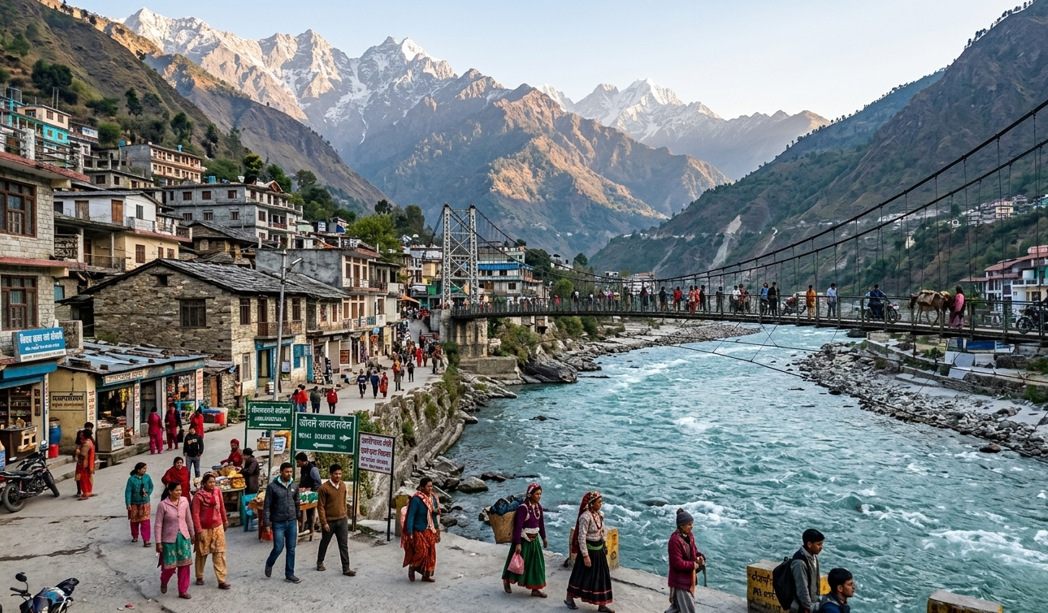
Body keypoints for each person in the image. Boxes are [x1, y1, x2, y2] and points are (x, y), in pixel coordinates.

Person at [565, 491, 614, 612]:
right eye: (599, 502)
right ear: (592, 504)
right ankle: (569, 599)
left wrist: (605, 544)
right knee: (580, 576)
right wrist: (585, 556)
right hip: (588, 552)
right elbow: (581, 537)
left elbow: (602, 530)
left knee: (602, 577)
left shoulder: (600, 514)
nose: (601, 504)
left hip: (599, 551)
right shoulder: (585, 517)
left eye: (601, 502)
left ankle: (602, 604)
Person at [502, 482, 548, 597]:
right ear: (530, 495)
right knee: (516, 563)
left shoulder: (539, 508)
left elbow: (541, 524)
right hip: (523, 540)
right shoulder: (523, 508)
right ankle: (507, 579)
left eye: (540, 494)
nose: (539, 496)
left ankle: (535, 589)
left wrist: (544, 538)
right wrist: (518, 543)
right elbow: (518, 527)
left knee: (536, 564)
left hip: (534, 541)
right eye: (537, 494)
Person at [155, 481, 195, 599]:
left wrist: (192, 534)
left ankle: (183, 591)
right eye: (176, 490)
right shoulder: (163, 505)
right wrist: (158, 542)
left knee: (185, 565)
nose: (179, 492)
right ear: (170, 491)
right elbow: (158, 525)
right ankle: (164, 581)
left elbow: (188, 519)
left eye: (180, 490)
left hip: (183, 538)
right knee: (170, 566)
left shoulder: (184, 501)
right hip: (169, 540)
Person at [264, 462, 301, 583]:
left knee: (291, 549)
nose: (289, 474)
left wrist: (299, 518)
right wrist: (267, 524)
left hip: (291, 522)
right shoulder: (272, 487)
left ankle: (290, 574)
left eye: (291, 472)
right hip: (278, 523)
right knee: (278, 548)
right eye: (287, 472)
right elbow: (267, 506)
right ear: (281, 472)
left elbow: (297, 503)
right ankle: (269, 563)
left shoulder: (294, 485)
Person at [191, 473, 230, 589]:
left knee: (219, 553)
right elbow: (195, 514)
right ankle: (199, 576)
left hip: (217, 526)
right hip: (203, 528)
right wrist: (198, 531)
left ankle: (221, 580)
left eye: (214, 482)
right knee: (202, 553)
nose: (212, 484)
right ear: (204, 484)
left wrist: (225, 520)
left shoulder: (218, 491)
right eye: (210, 482)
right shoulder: (198, 496)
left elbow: (222, 507)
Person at [665, 508, 706, 613]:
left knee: (677, 608)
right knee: (688, 609)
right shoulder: (674, 541)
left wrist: (700, 557)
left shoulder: (690, 536)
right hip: (680, 581)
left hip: (689, 579)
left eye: (692, 524)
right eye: (688, 524)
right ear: (681, 526)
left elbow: (694, 551)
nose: (691, 527)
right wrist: (693, 565)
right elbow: (677, 563)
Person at [317, 464, 355, 576]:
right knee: (325, 542)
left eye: (340, 474)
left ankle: (346, 568)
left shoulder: (343, 485)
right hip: (329, 521)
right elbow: (321, 507)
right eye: (335, 474)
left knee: (343, 544)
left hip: (342, 520)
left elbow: (343, 501)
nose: (338, 476)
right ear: (331, 474)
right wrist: (324, 522)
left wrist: (345, 515)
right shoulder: (324, 488)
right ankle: (320, 562)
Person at [403, 477, 441, 582]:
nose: (430, 488)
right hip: (418, 529)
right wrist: (409, 531)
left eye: (431, 486)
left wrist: (437, 528)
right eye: (428, 486)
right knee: (422, 552)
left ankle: (426, 575)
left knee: (431, 553)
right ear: (422, 487)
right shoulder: (416, 499)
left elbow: (434, 515)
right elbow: (411, 516)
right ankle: (412, 567)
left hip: (430, 528)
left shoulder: (433, 498)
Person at [790, 529, 824, 613]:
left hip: (813, 602)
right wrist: (808, 607)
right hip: (802, 607)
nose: (821, 547)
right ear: (809, 544)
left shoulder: (813, 556)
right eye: (818, 544)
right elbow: (802, 587)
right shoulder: (800, 562)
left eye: (822, 544)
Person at [125, 462, 154, 547]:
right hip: (134, 503)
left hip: (145, 503)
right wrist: (128, 503)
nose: (145, 470)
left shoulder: (147, 477)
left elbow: (151, 486)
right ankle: (135, 535)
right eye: (144, 468)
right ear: (138, 470)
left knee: (145, 521)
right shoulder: (131, 479)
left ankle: (146, 539)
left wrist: (148, 493)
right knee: (134, 521)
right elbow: (128, 491)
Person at [75, 423, 95, 500]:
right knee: (88, 477)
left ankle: (85, 493)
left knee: (83, 478)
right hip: (89, 463)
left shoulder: (86, 443)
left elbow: (83, 455)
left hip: (84, 464)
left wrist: (78, 453)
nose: (81, 435)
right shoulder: (90, 441)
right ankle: (89, 492)